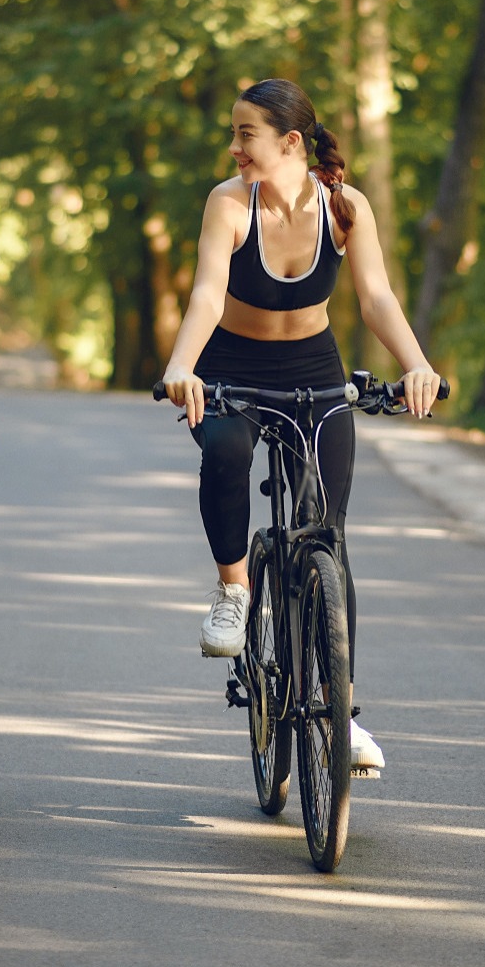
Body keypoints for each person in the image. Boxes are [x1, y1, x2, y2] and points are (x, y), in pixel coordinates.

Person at [158, 78, 441, 774]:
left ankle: (340, 714)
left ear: (290, 143)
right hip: (231, 364)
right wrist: (182, 365)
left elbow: (374, 295)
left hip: (314, 368)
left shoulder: (345, 208)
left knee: (326, 537)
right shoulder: (229, 202)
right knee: (224, 449)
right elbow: (205, 291)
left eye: (245, 134)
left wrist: (416, 363)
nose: (233, 147)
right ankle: (233, 592)